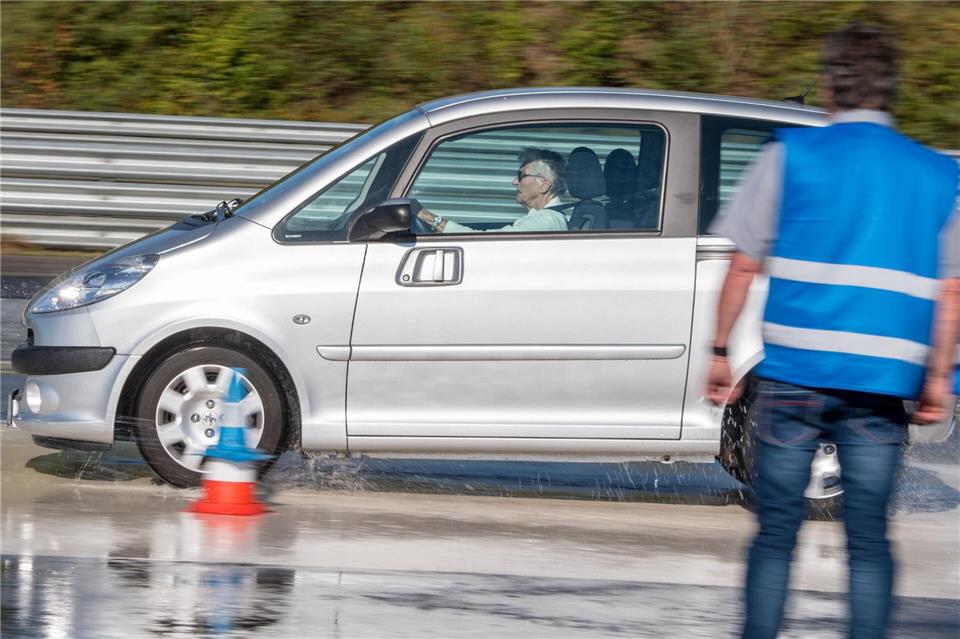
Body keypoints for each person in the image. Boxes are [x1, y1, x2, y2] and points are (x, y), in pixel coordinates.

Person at [703, 23, 960, 639]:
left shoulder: (789, 155)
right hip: (880, 387)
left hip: (794, 376)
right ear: (889, 89)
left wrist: (719, 352)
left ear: (829, 87)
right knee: (868, 539)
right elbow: (951, 290)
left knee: (776, 533)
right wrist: (939, 378)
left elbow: (742, 265)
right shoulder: (937, 174)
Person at [416, 147, 568, 233]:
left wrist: (429, 217)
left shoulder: (544, 222)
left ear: (544, 185)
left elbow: (483, 243)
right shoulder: (543, 218)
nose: (514, 182)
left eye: (521, 175)